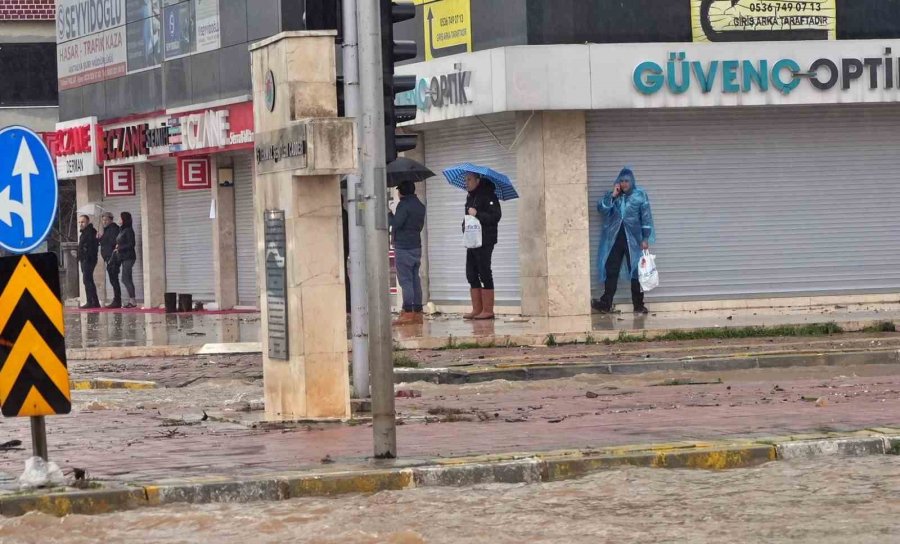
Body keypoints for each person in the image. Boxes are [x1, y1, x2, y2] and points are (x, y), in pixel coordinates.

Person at [593, 167, 655, 314]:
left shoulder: (640, 195)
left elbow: (646, 217)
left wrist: (645, 238)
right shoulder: (614, 196)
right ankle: (605, 303)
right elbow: (601, 209)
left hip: (634, 240)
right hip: (615, 240)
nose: (624, 183)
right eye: (621, 181)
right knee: (611, 270)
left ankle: (638, 305)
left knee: (636, 271)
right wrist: (613, 195)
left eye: (627, 181)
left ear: (632, 181)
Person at [463, 173, 501, 320]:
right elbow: (467, 218)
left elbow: (495, 216)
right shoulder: (470, 197)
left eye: (469, 179)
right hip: (472, 240)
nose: (467, 182)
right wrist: (464, 228)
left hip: (485, 240)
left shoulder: (489, 196)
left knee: (484, 271)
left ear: (478, 180)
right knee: (471, 273)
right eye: (466, 180)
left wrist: (478, 213)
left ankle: (488, 310)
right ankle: (477, 309)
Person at [389, 181, 427, 325]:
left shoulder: (403, 205)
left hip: (404, 247)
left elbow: (397, 223)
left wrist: (389, 215)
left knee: (405, 280)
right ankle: (418, 311)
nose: (398, 193)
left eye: (398, 190)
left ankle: (408, 312)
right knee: (415, 278)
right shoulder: (419, 205)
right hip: (416, 246)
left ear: (402, 191)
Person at [115, 211, 138, 309]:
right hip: (124, 257)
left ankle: (133, 300)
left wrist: (120, 248)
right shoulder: (122, 230)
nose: (118, 220)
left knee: (125, 278)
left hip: (129, 257)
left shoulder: (128, 230)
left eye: (120, 218)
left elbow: (131, 244)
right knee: (127, 278)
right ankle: (132, 300)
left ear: (124, 219)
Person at [99, 212, 122, 308]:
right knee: (113, 279)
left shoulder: (113, 229)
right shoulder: (107, 229)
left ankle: (117, 300)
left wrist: (103, 239)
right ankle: (116, 300)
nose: (104, 222)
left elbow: (112, 242)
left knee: (114, 279)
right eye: (103, 220)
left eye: (106, 220)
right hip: (108, 257)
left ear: (111, 220)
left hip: (112, 258)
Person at [77, 215, 100, 309]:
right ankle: (95, 301)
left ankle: (90, 301)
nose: (80, 224)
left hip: (88, 259)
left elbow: (90, 246)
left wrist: (84, 254)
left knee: (86, 280)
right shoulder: (84, 233)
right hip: (84, 259)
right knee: (89, 280)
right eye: (79, 222)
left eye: (82, 222)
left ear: (87, 222)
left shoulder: (90, 232)